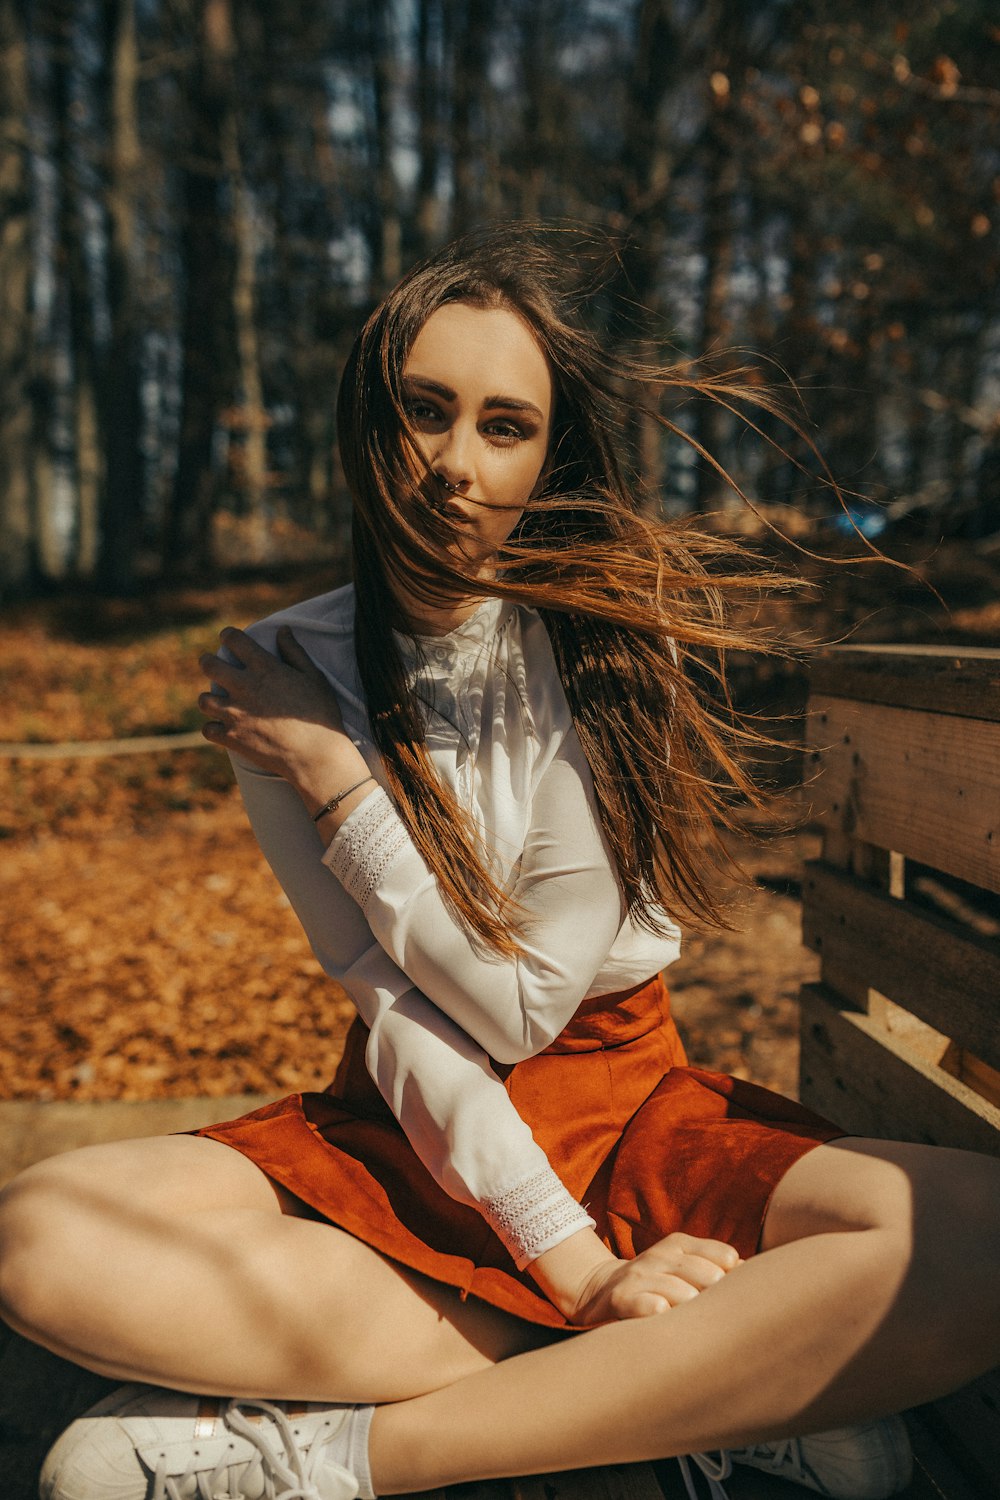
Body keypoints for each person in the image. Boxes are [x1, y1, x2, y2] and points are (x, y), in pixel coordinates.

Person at [1, 230, 998, 1500]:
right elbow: (401, 1003)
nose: (455, 465)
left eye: (503, 425)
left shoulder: (599, 650)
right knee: (39, 1238)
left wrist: (340, 782)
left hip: (629, 1100)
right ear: (368, 423)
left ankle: (343, 1454)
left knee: (971, 1238)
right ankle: (704, 1382)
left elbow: (522, 1005)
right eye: (423, 411)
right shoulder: (282, 674)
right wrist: (578, 1268)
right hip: (414, 1113)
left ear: (547, 456)